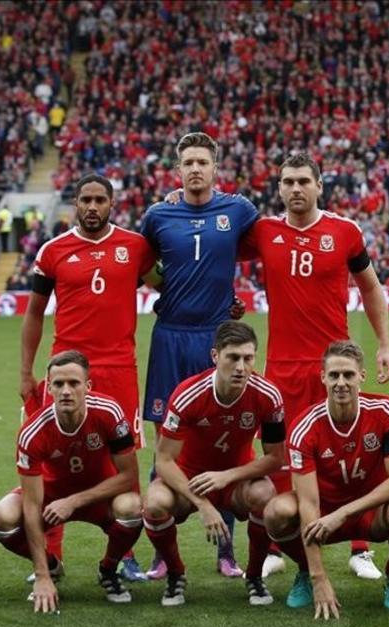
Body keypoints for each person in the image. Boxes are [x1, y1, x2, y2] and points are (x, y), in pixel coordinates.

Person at [241, 152, 389, 580]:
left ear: (319, 185)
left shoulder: (344, 232)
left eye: (303, 181)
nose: (295, 189)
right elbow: (216, 260)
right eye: (287, 182)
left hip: (335, 365)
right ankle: (277, 542)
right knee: (286, 454)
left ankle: (360, 547)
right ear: (279, 188)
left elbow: (371, 286)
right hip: (283, 366)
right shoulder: (263, 231)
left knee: (352, 450)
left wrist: (384, 345)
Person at [20, 173, 155, 583]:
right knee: (53, 462)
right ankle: (51, 554)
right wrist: (26, 372)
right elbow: (33, 314)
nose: (92, 206)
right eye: (85, 199)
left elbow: (168, 286)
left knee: (121, 458)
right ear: (74, 204)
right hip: (63, 370)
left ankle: (124, 553)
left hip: (118, 370)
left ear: (112, 204)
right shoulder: (53, 251)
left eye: (100, 200)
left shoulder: (135, 247)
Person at [140, 132, 260, 579]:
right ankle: (161, 554)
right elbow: (140, 263)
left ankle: (226, 551)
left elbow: (257, 244)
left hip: (216, 337)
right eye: (188, 162)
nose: (195, 169)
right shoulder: (157, 215)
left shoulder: (238, 209)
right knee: (164, 445)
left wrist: (231, 299)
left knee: (224, 441)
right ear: (177, 170)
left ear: (215, 168)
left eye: (202, 162)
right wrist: (163, 289)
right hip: (170, 337)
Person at [263, 341, 389, 619]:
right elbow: (308, 503)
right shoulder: (304, 427)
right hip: (323, 514)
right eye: (334, 375)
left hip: (372, 512)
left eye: (348, 374)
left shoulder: (385, 411)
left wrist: (344, 513)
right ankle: (304, 571)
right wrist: (319, 579)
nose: (341, 383)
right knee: (276, 512)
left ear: (362, 376)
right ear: (323, 377)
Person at [143, 321, 285, 607]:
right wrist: (203, 504)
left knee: (265, 495)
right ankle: (175, 575)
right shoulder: (188, 395)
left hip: (234, 482)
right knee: (155, 501)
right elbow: (164, 460)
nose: (241, 367)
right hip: (188, 481)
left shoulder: (268, 396)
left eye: (248, 358)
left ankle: (254, 578)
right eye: (233, 357)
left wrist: (227, 476)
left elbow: (275, 457)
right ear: (215, 356)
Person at [0, 351, 143, 612]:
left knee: (132, 507)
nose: (65, 391)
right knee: (1, 517)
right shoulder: (32, 433)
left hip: (97, 495)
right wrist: (42, 575)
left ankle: (108, 569)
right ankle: (51, 567)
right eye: (58, 384)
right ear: (48, 388)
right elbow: (31, 504)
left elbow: (129, 476)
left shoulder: (109, 412)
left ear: (88, 386)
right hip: (50, 498)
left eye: (73, 383)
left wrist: (74, 501)